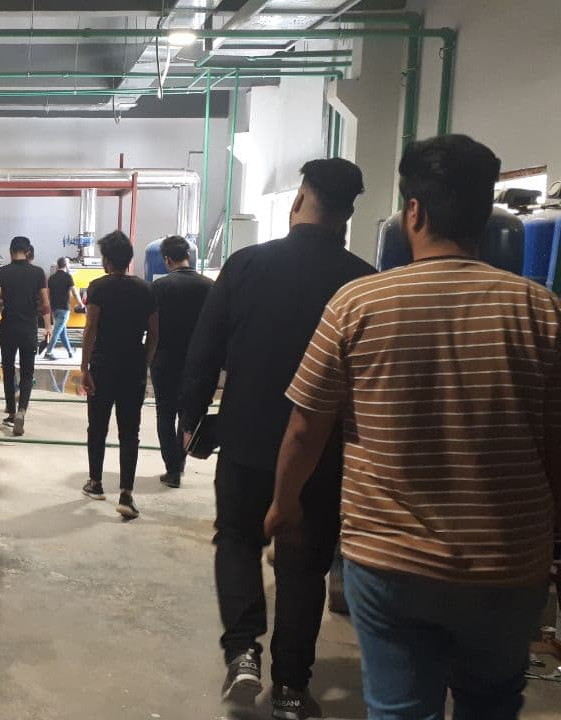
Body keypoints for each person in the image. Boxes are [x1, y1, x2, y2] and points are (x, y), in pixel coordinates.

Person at [267, 135, 561, 720]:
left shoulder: (357, 305)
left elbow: (305, 429)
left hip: (390, 559)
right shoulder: (541, 311)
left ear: (414, 212)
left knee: (399, 709)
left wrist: (283, 504)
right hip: (507, 563)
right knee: (491, 703)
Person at [179, 158, 374, 718]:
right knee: (304, 564)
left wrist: (190, 419)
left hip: (246, 437)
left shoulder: (246, 265)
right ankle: (290, 687)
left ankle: (243, 652)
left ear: (298, 200)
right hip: (324, 453)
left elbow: (204, 350)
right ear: (348, 213)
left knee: (237, 540)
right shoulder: (363, 282)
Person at [80, 230, 158, 520]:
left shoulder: (98, 288)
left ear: (108, 260)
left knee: (97, 426)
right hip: (132, 367)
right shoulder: (146, 289)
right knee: (130, 432)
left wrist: (84, 368)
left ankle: (96, 483)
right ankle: (126, 494)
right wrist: (143, 363)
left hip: (103, 365)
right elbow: (154, 334)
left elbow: (91, 329)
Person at [149, 236, 213, 489]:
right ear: (188, 256)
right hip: (197, 362)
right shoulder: (209, 286)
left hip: (165, 359)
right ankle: (181, 462)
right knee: (187, 413)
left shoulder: (160, 287)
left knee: (164, 413)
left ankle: (172, 469)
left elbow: (150, 326)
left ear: (167, 259)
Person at [0, 236, 49, 436]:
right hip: (28, 329)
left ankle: (11, 411)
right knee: (27, 372)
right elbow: (46, 304)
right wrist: (34, 311)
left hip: (8, 327)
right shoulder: (38, 273)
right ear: (28, 252)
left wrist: (4, 306)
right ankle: (22, 410)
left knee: (8, 369)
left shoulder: (2, 272)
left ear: (10, 251)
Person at [45, 257, 85, 360]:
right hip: (64, 308)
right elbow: (75, 292)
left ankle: (69, 351)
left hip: (54, 308)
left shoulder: (51, 278)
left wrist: (49, 307)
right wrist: (81, 304)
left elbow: (48, 294)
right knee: (57, 331)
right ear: (66, 265)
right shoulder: (68, 277)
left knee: (62, 332)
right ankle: (48, 352)